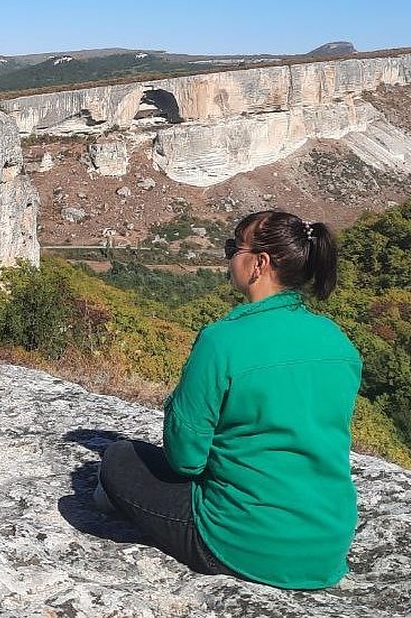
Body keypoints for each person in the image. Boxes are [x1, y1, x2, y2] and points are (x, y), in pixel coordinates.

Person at [95, 209, 362, 589]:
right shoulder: (338, 342)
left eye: (233, 248)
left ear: (260, 264)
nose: (228, 257)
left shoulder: (222, 341)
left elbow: (186, 460)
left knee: (120, 458)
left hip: (241, 543)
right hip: (327, 545)